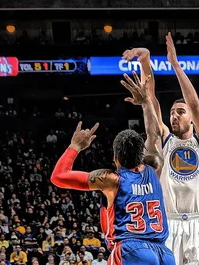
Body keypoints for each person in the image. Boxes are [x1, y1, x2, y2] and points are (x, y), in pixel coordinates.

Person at [51, 72, 175, 265]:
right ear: (143, 155)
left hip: (131, 249)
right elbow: (154, 134)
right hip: (164, 253)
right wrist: (145, 102)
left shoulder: (111, 180)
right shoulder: (154, 166)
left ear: (115, 157)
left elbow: (59, 176)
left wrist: (74, 147)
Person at [122, 32, 199, 265]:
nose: (174, 116)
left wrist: (175, 64)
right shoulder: (165, 139)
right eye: (172, 113)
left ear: (192, 119)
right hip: (170, 223)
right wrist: (145, 61)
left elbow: (194, 104)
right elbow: (150, 98)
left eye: (180, 112)